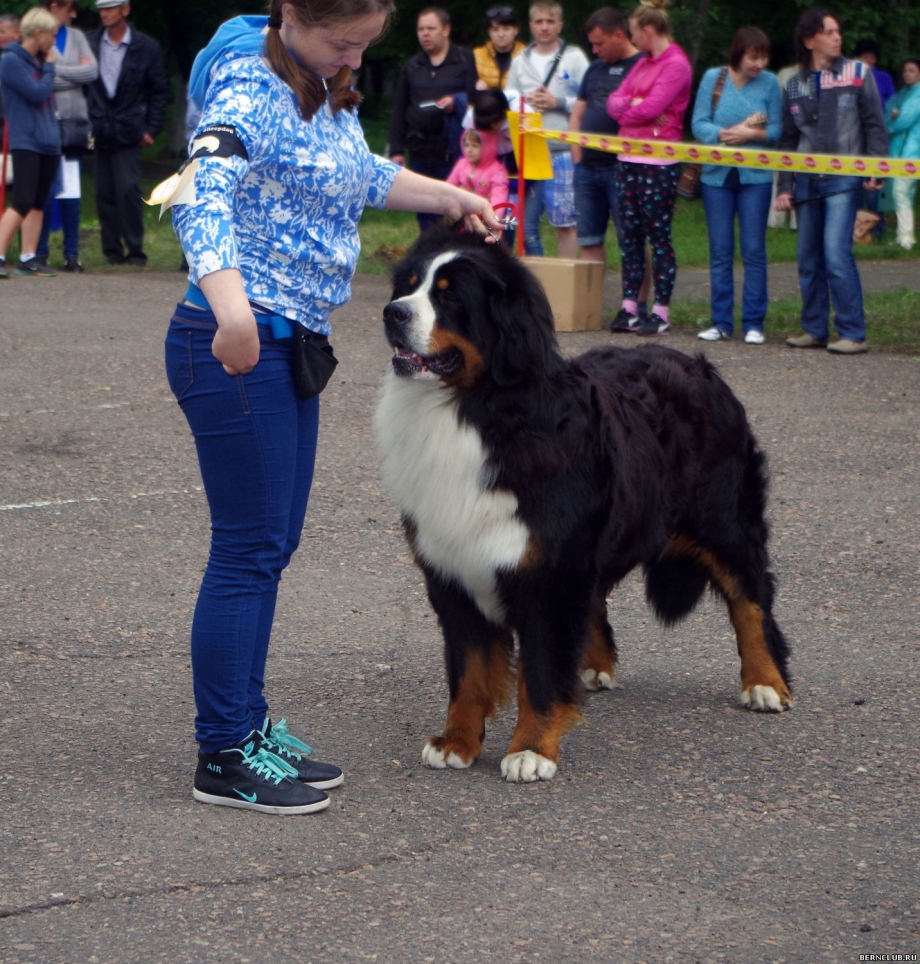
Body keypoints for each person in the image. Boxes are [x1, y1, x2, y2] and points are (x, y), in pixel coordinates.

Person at [166, 0, 504, 815]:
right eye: (337, 40)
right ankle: (223, 751)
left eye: (361, 43)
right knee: (247, 551)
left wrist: (449, 196)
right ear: (290, 14)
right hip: (237, 344)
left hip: (291, 344)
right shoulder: (250, 85)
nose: (349, 56)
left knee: (271, 545)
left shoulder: (320, 82)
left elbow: (359, 174)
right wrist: (232, 309)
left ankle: (246, 724)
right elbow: (199, 196)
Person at [775, 9, 888, 355]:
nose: (838, 37)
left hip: (842, 180)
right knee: (808, 257)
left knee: (836, 254)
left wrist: (875, 167)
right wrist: (784, 186)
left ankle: (853, 332)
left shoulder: (858, 73)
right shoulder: (794, 83)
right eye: (829, 32)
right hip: (807, 182)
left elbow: (874, 124)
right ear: (810, 40)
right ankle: (814, 329)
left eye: (839, 31)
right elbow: (788, 141)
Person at [691, 26, 781, 345]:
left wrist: (751, 135)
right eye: (753, 57)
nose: (759, 64)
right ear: (738, 53)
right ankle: (721, 322)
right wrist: (722, 135)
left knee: (754, 250)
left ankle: (754, 322)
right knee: (720, 251)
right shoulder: (713, 78)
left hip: (755, 177)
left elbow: (777, 128)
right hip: (716, 177)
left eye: (764, 57)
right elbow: (699, 122)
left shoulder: (769, 84)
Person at [606, 0, 691, 336]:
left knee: (658, 236)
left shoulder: (676, 65)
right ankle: (630, 305)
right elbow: (615, 103)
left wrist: (638, 107)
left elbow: (655, 105)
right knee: (629, 235)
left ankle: (661, 309)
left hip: (658, 161)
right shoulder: (642, 64)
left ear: (649, 31)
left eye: (634, 33)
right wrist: (634, 106)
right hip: (628, 157)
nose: (631, 39)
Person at [569, 6, 647, 316]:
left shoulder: (642, 65)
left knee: (632, 238)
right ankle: (592, 307)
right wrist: (577, 159)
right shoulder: (594, 69)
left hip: (624, 168)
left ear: (619, 35)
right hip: (587, 169)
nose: (595, 50)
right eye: (592, 44)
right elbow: (577, 114)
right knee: (589, 238)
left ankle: (637, 307)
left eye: (599, 43)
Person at [86, 0, 168, 266]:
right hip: (99, 128)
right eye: (101, 9)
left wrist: (152, 129)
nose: (104, 13)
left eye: (110, 8)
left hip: (130, 130)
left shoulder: (146, 47)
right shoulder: (89, 43)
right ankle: (111, 251)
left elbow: (158, 91)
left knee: (127, 189)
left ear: (125, 9)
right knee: (103, 192)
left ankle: (135, 249)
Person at [504, 0, 589, 258]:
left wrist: (557, 102)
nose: (544, 27)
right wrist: (523, 103)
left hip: (562, 150)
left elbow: (591, 100)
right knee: (526, 225)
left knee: (565, 222)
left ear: (560, 25)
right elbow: (508, 98)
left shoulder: (574, 58)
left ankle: (564, 283)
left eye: (550, 22)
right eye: (539, 22)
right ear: (530, 25)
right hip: (529, 150)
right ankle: (532, 287)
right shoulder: (520, 61)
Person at [387, 7, 478, 231]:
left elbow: (477, 100)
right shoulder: (412, 66)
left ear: (446, 29)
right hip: (420, 151)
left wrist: (455, 101)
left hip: (455, 151)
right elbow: (399, 108)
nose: (425, 34)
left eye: (431, 28)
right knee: (427, 216)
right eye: (421, 29)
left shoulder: (465, 60)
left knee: (457, 211)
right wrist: (396, 150)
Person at [35, 0, 97, 273]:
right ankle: (39, 251)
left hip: (74, 126)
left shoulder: (77, 36)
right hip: (46, 123)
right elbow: (38, 78)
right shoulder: (38, 35)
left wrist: (55, 72)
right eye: (69, 9)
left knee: (72, 189)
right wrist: (74, 75)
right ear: (54, 6)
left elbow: (92, 72)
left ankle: (72, 253)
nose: (73, 15)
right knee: (45, 191)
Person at [0, 7, 60, 278]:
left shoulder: (38, 61)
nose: (54, 42)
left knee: (38, 201)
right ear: (39, 33)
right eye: (53, 35)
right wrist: (49, 67)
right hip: (26, 140)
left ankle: (28, 257)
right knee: (22, 200)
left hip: (48, 139)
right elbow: (37, 93)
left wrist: (45, 66)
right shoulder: (11, 61)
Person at [884, 58, 920, 250]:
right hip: (900, 150)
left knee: (900, 192)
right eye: (905, 71)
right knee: (905, 193)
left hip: (912, 151)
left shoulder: (918, 95)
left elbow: (902, 120)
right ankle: (903, 235)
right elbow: (888, 110)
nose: (907, 74)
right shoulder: (903, 93)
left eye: (912, 71)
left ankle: (906, 237)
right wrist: (891, 118)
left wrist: (890, 122)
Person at [447, 127, 510, 208]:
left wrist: (492, 218)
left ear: (487, 147)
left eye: (474, 146)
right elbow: (449, 187)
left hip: (483, 215)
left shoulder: (498, 171)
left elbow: (498, 199)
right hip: (461, 211)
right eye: (466, 145)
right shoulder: (461, 163)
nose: (469, 150)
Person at [473, 5, 524, 90]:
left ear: (516, 30)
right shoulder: (476, 55)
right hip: (484, 102)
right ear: (489, 32)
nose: (501, 35)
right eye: (495, 30)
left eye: (506, 29)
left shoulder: (527, 56)